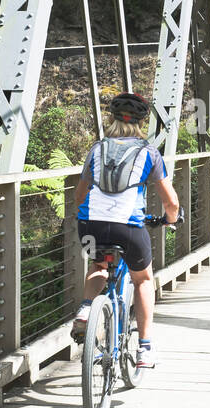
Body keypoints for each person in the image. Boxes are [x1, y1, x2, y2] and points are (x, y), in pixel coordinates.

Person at [71, 92, 180, 369]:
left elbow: (79, 196)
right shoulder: (148, 153)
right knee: (143, 280)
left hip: (90, 225)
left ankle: (86, 308)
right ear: (141, 123)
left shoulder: (97, 150)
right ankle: (144, 348)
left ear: (113, 119)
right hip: (128, 228)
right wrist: (170, 219)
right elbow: (171, 202)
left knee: (98, 264)